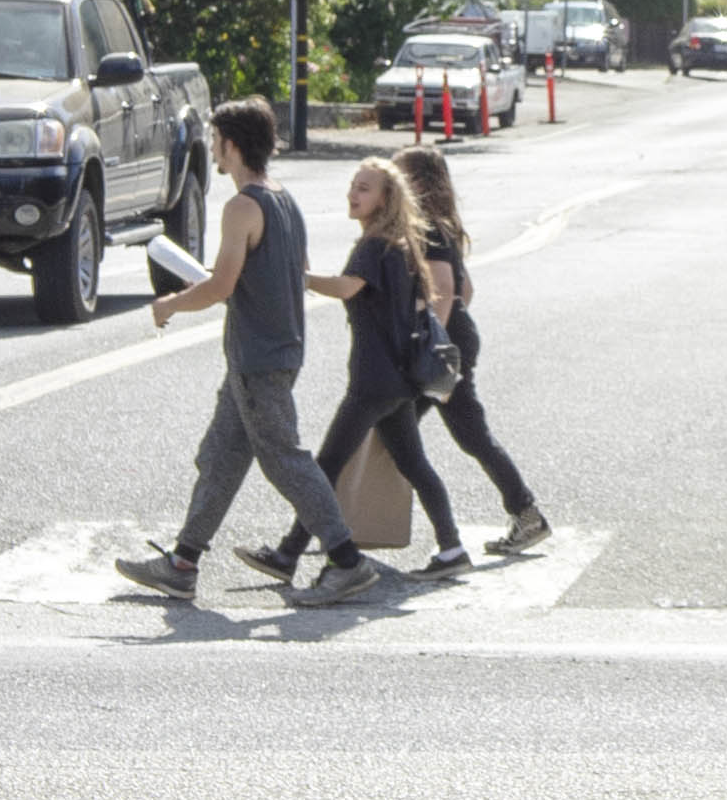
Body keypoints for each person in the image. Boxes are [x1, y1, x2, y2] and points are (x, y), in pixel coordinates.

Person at [115, 99, 383, 607]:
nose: (213, 150)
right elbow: (286, 274)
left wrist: (171, 303)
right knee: (221, 457)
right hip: (266, 354)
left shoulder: (242, 208)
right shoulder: (285, 200)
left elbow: (220, 286)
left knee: (285, 460)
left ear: (231, 145)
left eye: (216, 140)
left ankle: (348, 561)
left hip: (259, 359)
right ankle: (182, 563)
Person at [250, 159, 468, 578]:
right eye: (352, 185)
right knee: (413, 464)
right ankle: (451, 547)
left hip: (372, 382)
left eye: (364, 188)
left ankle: (288, 554)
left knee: (327, 465)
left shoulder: (373, 247)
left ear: (385, 199)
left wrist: (300, 276)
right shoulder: (400, 245)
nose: (353, 194)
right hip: (400, 380)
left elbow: (346, 287)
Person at [389, 141, 552, 557]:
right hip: (456, 335)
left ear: (418, 182)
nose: (392, 181)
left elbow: (446, 291)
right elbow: (465, 290)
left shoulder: (426, 225)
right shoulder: (442, 223)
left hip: (443, 343)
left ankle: (522, 514)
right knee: (455, 430)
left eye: (398, 174)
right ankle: (524, 513)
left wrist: (430, 344)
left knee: (402, 424)